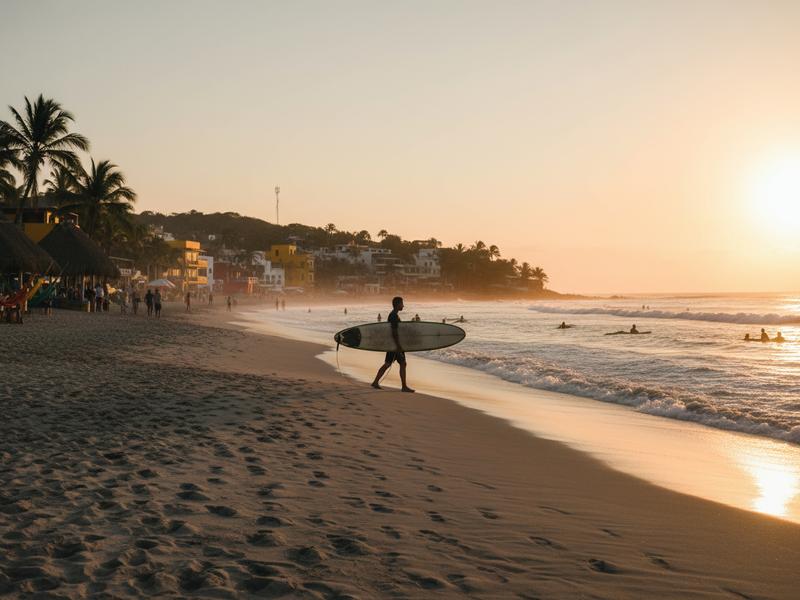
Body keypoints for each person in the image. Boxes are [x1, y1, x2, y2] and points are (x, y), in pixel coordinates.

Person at [371, 296, 414, 392]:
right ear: (397, 304)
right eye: (402, 303)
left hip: (393, 344)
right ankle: (403, 387)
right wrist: (398, 346)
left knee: (399, 363)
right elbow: (394, 332)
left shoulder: (394, 314)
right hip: (395, 345)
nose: (403, 305)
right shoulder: (394, 316)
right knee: (394, 364)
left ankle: (376, 382)